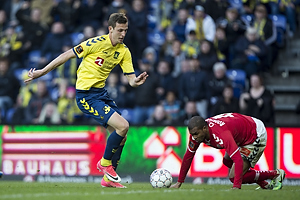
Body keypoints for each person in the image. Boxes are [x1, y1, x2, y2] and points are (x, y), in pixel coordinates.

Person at [24, 13, 148, 188]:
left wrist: (136, 82)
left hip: (101, 94)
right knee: (123, 125)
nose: (122, 34)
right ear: (110, 29)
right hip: (86, 95)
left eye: (125, 31)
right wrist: (41, 72)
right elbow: (66, 55)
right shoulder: (95, 43)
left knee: (122, 135)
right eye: (119, 30)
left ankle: (108, 179)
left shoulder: (124, 51)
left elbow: (130, 79)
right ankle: (104, 163)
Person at [170, 113, 286, 190]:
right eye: (192, 134)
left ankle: (275, 174)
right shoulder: (197, 133)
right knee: (227, 162)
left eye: (196, 134)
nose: (194, 137)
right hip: (241, 131)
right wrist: (179, 182)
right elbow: (188, 157)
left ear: (204, 128)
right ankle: (263, 182)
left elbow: (238, 160)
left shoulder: (221, 134)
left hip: (254, 134)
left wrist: (236, 187)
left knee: (233, 176)